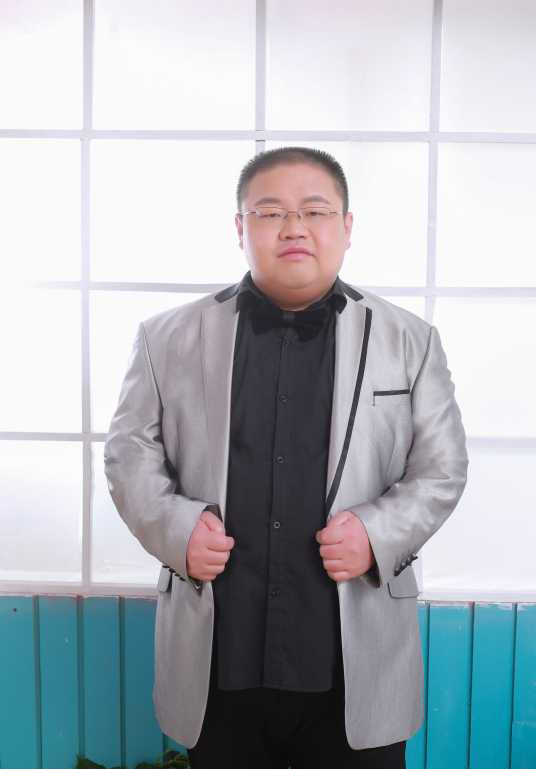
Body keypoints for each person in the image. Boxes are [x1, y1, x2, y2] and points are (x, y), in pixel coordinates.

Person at [104, 146, 468, 768]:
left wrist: (376, 534)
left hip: (355, 656)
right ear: (240, 228)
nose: (294, 227)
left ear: (346, 227)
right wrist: (178, 529)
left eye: (315, 211)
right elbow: (127, 453)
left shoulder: (410, 339)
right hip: (219, 652)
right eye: (270, 212)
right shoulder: (165, 337)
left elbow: (442, 468)